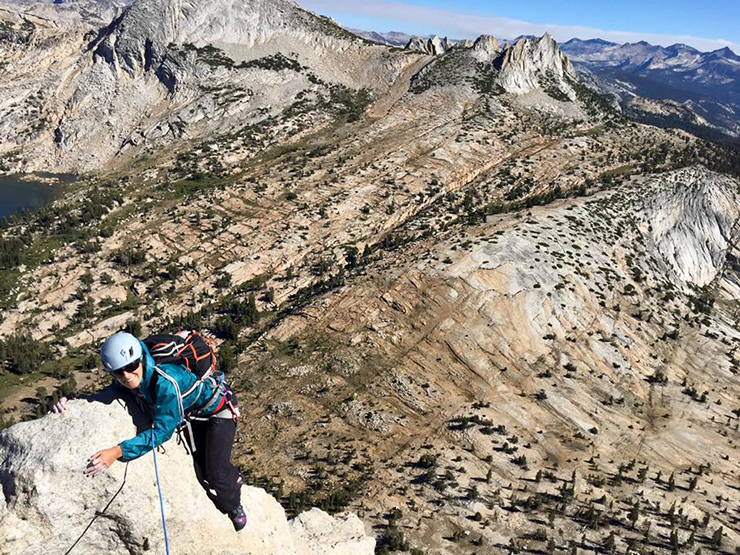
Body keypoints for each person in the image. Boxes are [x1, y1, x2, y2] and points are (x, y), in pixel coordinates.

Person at [53, 331, 247, 531]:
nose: (127, 376)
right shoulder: (136, 369)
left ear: (141, 359)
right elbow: (114, 391)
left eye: (130, 367)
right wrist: (76, 400)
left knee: (216, 475)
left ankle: (234, 506)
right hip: (193, 413)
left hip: (218, 410)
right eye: (119, 372)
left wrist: (117, 452)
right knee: (201, 472)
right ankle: (231, 477)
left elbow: (162, 432)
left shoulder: (166, 381)